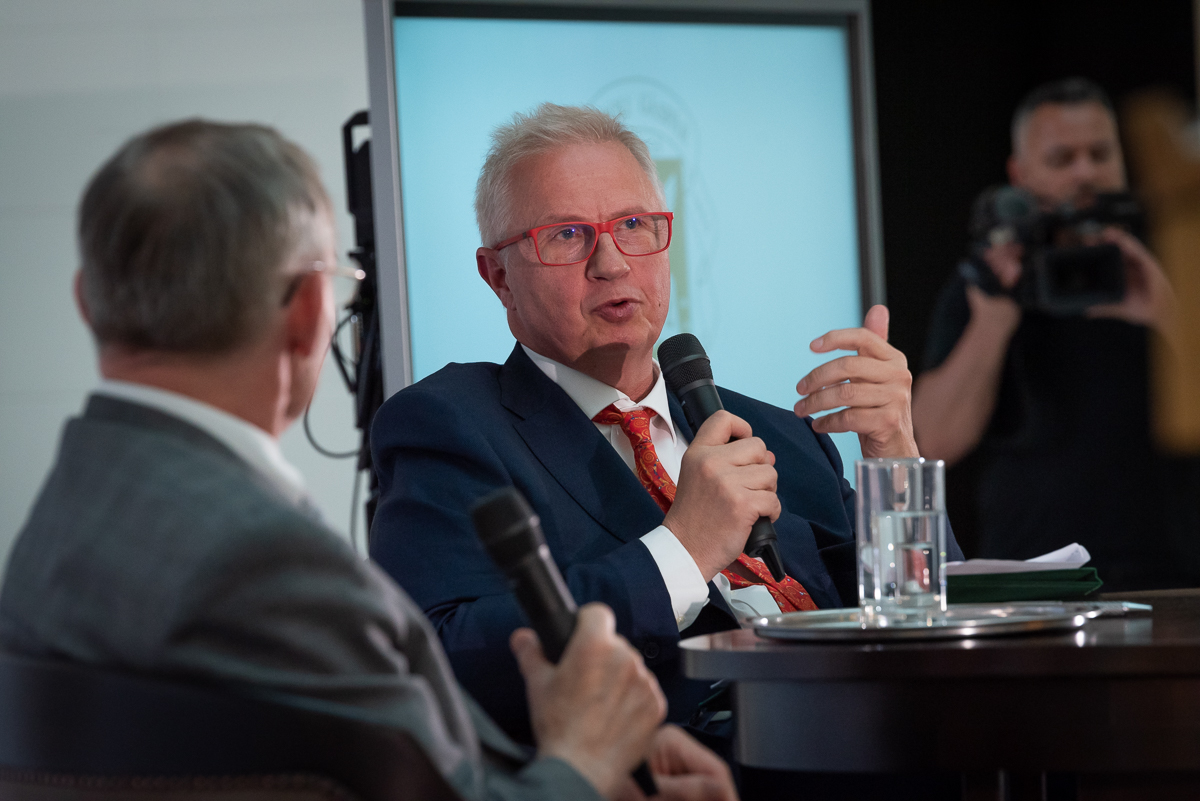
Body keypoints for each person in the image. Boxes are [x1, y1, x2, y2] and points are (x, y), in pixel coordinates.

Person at [0, 119, 736, 801]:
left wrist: (604, 751)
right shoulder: (265, 561)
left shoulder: (64, 518)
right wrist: (583, 764)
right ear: (307, 312)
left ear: (87, 301)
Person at [368, 103, 964, 742]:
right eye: (567, 235)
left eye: (634, 225)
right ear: (498, 277)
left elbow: (932, 637)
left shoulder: (781, 436)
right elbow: (443, 660)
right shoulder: (452, 427)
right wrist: (683, 551)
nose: (612, 263)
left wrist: (894, 458)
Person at [911, 78, 1190, 590]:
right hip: (1034, 581)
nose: (1086, 173)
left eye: (1100, 154)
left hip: (1173, 576)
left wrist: (1168, 314)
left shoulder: (1177, 254)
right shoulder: (989, 281)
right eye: (1062, 159)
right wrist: (994, 321)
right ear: (1020, 174)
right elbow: (929, 443)